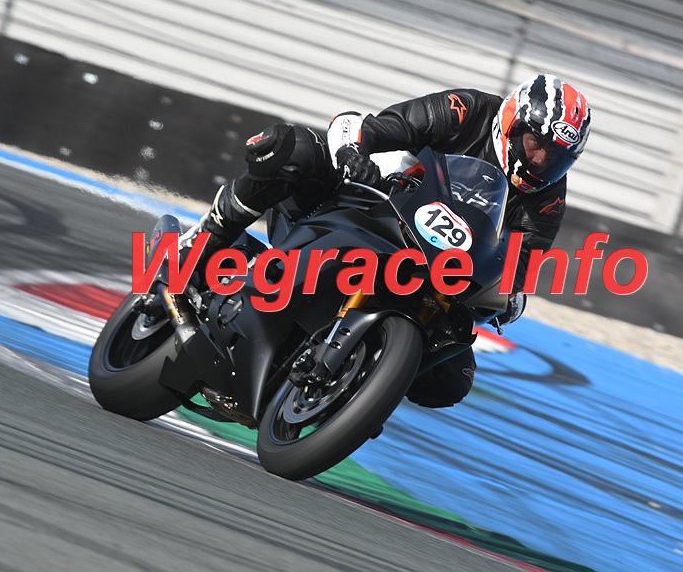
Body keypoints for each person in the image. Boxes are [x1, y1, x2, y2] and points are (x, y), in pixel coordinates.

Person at [185, 73, 591, 408]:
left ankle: (355, 390)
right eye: (536, 145)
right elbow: (376, 127)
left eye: (555, 157)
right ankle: (203, 243)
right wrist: (353, 155)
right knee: (292, 148)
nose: (540, 160)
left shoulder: (548, 196)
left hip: (435, 269)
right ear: (513, 123)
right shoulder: (465, 111)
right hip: (376, 199)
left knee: (453, 378)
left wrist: (508, 296)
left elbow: (523, 262)